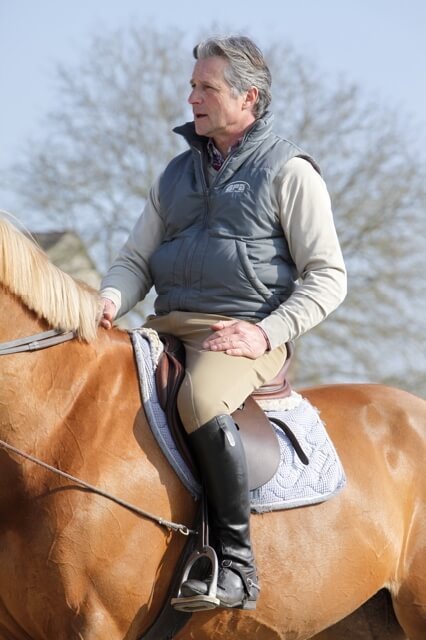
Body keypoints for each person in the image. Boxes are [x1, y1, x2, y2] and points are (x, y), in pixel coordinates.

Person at [99, 35, 347, 611]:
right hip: (166, 325)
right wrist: (108, 300)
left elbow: (328, 277)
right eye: (192, 86)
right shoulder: (174, 175)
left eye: (206, 87)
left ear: (248, 97)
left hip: (241, 332)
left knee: (200, 399)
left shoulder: (289, 171)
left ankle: (234, 565)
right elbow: (135, 260)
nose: (192, 98)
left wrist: (265, 332)